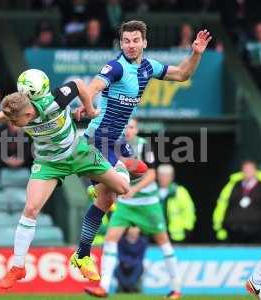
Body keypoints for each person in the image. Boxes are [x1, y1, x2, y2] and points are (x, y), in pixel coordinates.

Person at [72, 21, 211, 296]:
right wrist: (86, 104)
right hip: (99, 140)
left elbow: (182, 74)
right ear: (121, 44)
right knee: (120, 188)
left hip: (117, 143)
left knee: (112, 194)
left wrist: (196, 53)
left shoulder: (149, 68)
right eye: (126, 41)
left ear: (144, 42)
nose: (131, 45)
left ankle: (83, 251)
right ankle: (97, 182)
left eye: (135, 40)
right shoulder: (116, 67)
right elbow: (93, 86)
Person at [0, 73, 136, 290]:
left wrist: (90, 109)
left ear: (28, 113)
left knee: (122, 188)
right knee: (30, 208)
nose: (13, 124)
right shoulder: (20, 108)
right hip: (48, 163)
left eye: (16, 122)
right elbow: (9, 112)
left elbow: (78, 84)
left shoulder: (54, 103)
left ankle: (120, 165)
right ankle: (18, 266)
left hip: (78, 152)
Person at [85, 119, 181, 299]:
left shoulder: (144, 146)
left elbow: (152, 174)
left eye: (132, 127)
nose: (128, 130)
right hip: (127, 205)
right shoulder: (113, 147)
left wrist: (133, 189)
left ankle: (176, 288)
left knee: (163, 242)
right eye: (125, 127)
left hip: (148, 204)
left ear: (137, 130)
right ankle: (103, 287)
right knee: (110, 239)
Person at [213, 160, 261, 243]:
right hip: (234, 230)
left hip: (257, 231)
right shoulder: (232, 185)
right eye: (245, 169)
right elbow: (222, 205)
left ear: (256, 171)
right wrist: (219, 226)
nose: (247, 172)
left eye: (250, 169)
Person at [157, 164, 196, 242]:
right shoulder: (152, 191)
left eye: (167, 175)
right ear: (157, 176)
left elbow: (189, 210)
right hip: (157, 233)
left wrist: (187, 228)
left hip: (176, 235)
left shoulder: (180, 191)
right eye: (161, 175)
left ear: (172, 177)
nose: (163, 178)